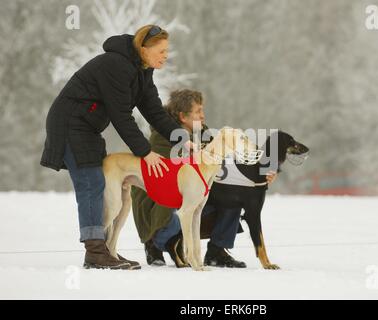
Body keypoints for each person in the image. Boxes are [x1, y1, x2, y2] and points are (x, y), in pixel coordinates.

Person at [40, 25, 193, 270]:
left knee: (103, 187)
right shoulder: (116, 65)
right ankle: (95, 253)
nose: (166, 56)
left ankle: (106, 250)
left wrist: (182, 138)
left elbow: (154, 111)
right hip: (70, 124)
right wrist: (144, 151)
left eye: (167, 51)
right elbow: (121, 115)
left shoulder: (142, 71)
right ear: (144, 48)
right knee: (91, 184)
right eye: (161, 51)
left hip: (87, 127)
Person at [131, 89, 278, 268]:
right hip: (161, 205)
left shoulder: (205, 135)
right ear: (183, 117)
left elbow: (228, 163)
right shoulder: (161, 139)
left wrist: (261, 174)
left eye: (202, 110)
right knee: (178, 214)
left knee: (234, 198)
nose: (202, 115)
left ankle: (216, 251)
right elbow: (167, 178)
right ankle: (154, 243)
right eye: (198, 111)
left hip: (188, 200)